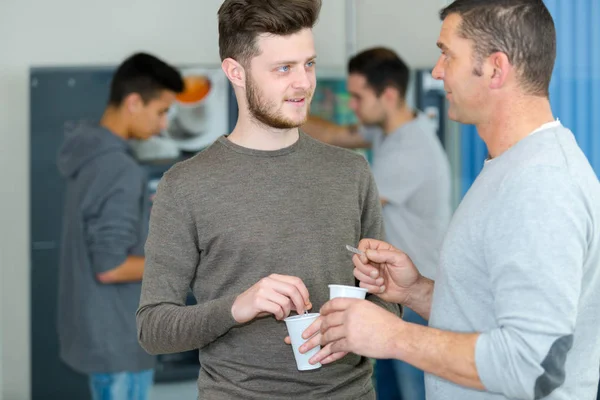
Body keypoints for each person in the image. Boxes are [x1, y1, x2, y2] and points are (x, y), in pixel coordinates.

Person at [313, 0, 600, 399]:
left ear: (496, 69)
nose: (436, 70)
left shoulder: (542, 185)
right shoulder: (510, 166)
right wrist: (417, 292)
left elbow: (532, 365)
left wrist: (394, 336)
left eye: (447, 54)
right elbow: (487, 317)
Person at [135, 0, 400, 399]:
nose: (304, 83)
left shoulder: (351, 172)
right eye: (283, 69)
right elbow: (153, 329)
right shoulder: (185, 185)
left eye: (308, 64)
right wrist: (237, 307)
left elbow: (387, 302)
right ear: (235, 72)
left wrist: (357, 329)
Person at [302, 46, 451, 400]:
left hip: (417, 301)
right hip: (393, 294)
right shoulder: (390, 129)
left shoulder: (410, 150)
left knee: (415, 395)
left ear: (388, 95)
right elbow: (337, 135)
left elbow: (345, 210)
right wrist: (287, 109)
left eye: (357, 96)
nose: (351, 104)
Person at [57, 52, 184, 400]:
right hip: (119, 342)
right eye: (161, 111)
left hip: (97, 333)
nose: (162, 125)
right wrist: (184, 265)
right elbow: (110, 267)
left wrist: (146, 211)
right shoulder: (118, 169)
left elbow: (99, 227)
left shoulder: (91, 155)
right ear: (133, 102)